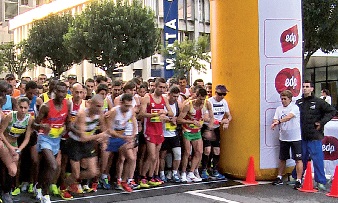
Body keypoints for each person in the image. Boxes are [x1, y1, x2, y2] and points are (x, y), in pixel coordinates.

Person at [292, 81, 336, 191]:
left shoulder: (319, 102)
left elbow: (332, 111)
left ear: (312, 89)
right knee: (301, 158)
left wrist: (321, 123)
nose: (305, 89)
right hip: (301, 135)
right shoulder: (299, 102)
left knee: (317, 159)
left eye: (307, 87)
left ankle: (321, 182)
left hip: (315, 136)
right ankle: (297, 177)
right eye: (303, 87)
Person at [33, 81, 72, 203]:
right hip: (44, 138)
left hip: (56, 140)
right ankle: (46, 194)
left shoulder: (68, 104)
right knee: (54, 166)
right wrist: (42, 126)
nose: (61, 94)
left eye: (64, 91)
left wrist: (67, 128)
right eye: (59, 91)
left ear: (67, 92)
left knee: (47, 168)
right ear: (53, 92)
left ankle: (38, 186)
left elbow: (68, 121)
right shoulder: (46, 106)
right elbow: (34, 124)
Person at [139, 77, 173, 187]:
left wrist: (165, 113)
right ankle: (142, 177)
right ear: (155, 86)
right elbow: (141, 114)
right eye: (160, 87)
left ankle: (151, 177)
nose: (162, 90)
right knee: (151, 156)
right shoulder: (147, 98)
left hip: (160, 130)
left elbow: (171, 113)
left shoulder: (164, 99)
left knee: (156, 156)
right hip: (149, 130)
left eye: (164, 88)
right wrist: (155, 114)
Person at [177, 87, 214, 182]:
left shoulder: (207, 103)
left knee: (199, 152)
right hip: (187, 130)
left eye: (204, 99)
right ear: (196, 96)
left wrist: (209, 129)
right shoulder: (188, 105)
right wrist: (192, 122)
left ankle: (191, 172)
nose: (202, 101)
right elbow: (179, 119)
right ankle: (183, 172)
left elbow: (212, 117)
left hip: (197, 131)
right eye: (200, 99)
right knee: (187, 152)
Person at [0, 97, 34, 197]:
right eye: (21, 107)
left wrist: (19, 149)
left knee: (13, 172)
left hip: (15, 145)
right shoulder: (10, 116)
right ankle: (6, 192)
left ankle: (6, 190)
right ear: (17, 107)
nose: (23, 110)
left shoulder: (29, 119)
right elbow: (1, 132)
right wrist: (10, 147)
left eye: (25, 108)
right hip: (5, 143)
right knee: (12, 169)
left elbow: (27, 138)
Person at [270, 90, 303, 189]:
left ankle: (298, 179)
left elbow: (289, 117)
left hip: (295, 137)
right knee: (282, 158)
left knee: (298, 159)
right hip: (284, 137)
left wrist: (278, 122)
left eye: (285, 99)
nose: (283, 101)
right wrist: (275, 122)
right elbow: (275, 118)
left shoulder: (295, 108)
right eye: (282, 99)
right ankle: (279, 177)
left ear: (290, 99)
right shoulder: (279, 109)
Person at [106, 93, 138, 192]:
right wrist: (123, 136)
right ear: (121, 103)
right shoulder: (114, 111)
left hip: (121, 137)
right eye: (126, 105)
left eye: (129, 105)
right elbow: (109, 130)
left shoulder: (131, 110)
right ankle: (98, 179)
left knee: (131, 158)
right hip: (111, 137)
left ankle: (124, 181)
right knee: (105, 162)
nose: (127, 108)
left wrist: (133, 135)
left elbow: (134, 123)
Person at [201, 85, 231, 180]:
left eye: (224, 94)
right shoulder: (209, 101)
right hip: (208, 127)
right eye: (220, 94)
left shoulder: (224, 102)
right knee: (207, 149)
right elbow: (205, 118)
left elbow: (229, 116)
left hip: (216, 128)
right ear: (215, 93)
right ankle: (204, 169)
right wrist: (219, 122)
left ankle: (215, 170)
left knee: (217, 150)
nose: (222, 96)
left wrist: (227, 121)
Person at [159, 86, 182, 183]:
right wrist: (169, 119)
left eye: (177, 97)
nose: (175, 98)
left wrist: (175, 120)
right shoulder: (163, 103)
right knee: (162, 155)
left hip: (173, 133)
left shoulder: (177, 104)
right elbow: (160, 116)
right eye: (174, 96)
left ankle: (174, 172)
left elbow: (178, 118)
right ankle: (162, 173)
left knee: (178, 153)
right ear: (169, 95)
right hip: (163, 133)